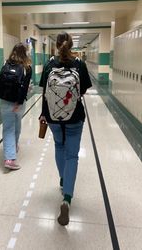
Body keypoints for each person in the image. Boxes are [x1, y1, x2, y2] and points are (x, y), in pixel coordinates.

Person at [39, 32, 92, 226]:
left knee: (59, 147)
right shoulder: (79, 64)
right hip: (74, 116)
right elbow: (84, 90)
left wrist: (44, 113)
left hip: (53, 117)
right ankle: (67, 198)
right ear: (71, 45)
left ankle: (63, 179)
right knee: (72, 155)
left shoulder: (49, 65)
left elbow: (44, 92)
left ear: (56, 45)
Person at [0, 43, 32, 170]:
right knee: (16, 125)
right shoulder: (27, 67)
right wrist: (18, 103)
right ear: (25, 53)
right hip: (18, 103)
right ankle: (10, 157)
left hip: (5, 101)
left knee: (8, 128)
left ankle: (11, 151)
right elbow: (24, 88)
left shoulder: (6, 64)